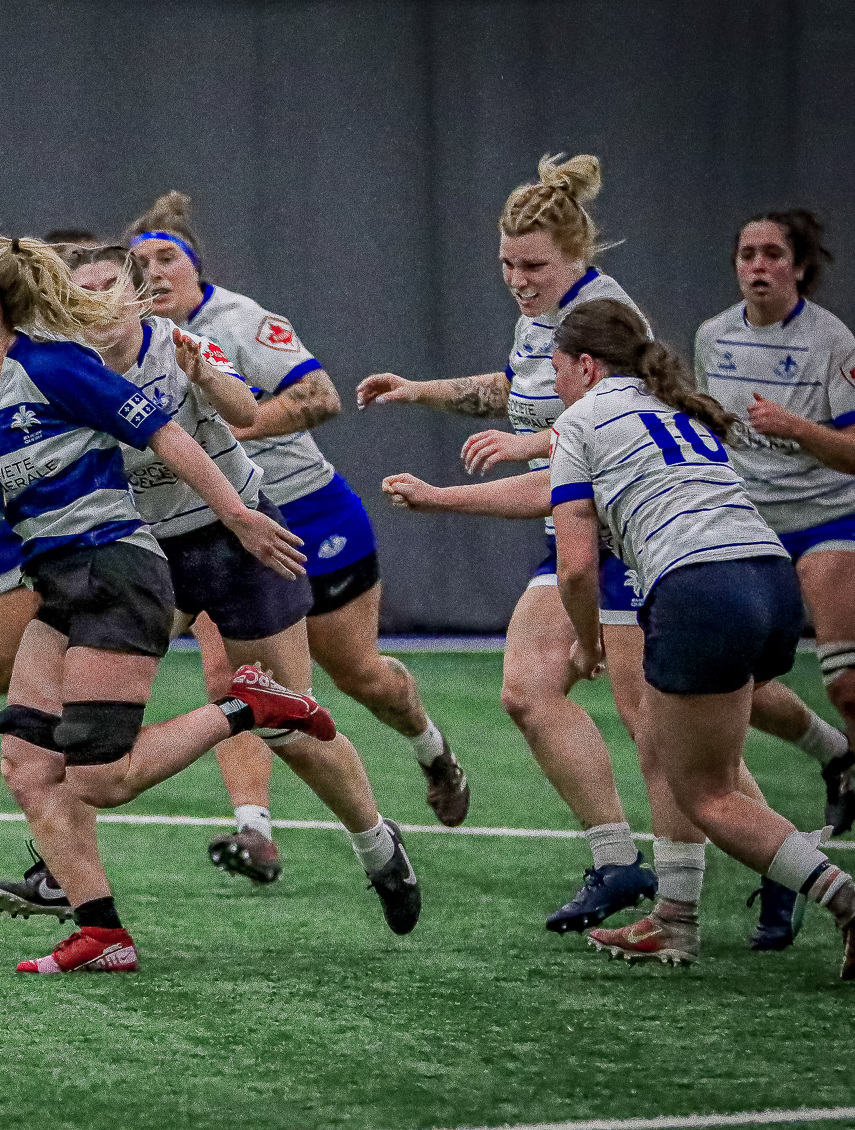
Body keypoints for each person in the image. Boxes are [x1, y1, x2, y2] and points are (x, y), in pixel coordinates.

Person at [0, 227, 397, 974]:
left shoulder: (57, 365)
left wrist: (239, 513)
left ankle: (260, 719)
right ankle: (101, 931)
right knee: (28, 765)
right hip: (63, 580)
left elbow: (169, 433)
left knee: (106, 775)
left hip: (119, 568)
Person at [357, 155, 665, 933]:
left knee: (658, 723)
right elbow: (514, 390)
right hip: (573, 525)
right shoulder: (540, 317)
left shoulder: (604, 315)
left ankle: (773, 865)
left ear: (576, 256)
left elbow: (621, 418)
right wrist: (419, 390)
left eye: (534, 266)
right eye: (507, 264)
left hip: (632, 531)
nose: (518, 281)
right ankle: (618, 862)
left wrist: (526, 448)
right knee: (529, 691)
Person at [124, 191, 466, 890]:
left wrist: (222, 421)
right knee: (237, 682)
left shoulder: (238, 321)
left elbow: (321, 398)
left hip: (308, 511)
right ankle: (255, 830)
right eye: (140, 262)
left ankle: (432, 749)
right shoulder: (128, 341)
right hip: (220, 523)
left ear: (196, 266)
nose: (154, 272)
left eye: (167, 257)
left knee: (360, 676)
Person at [543, 297, 855, 976]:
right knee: (672, 748)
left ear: (586, 366)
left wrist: (588, 642)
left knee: (706, 793)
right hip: (769, 577)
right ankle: (675, 922)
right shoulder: (676, 406)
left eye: (557, 368)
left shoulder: (580, 420)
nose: (554, 382)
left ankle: (842, 898)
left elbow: (575, 566)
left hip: (700, 589)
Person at [695, 210, 855, 847]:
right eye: (747, 254)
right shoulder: (713, 336)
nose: (758, 266)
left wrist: (797, 428)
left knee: (847, 683)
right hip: (747, 523)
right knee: (731, 682)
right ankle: (835, 754)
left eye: (773, 254)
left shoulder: (832, 341)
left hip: (825, 517)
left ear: (800, 267)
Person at [0, 231, 95, 778]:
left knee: (81, 651)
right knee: (9, 661)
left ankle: (69, 769)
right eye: (67, 271)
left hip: (75, 516)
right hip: (1, 521)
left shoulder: (103, 342)